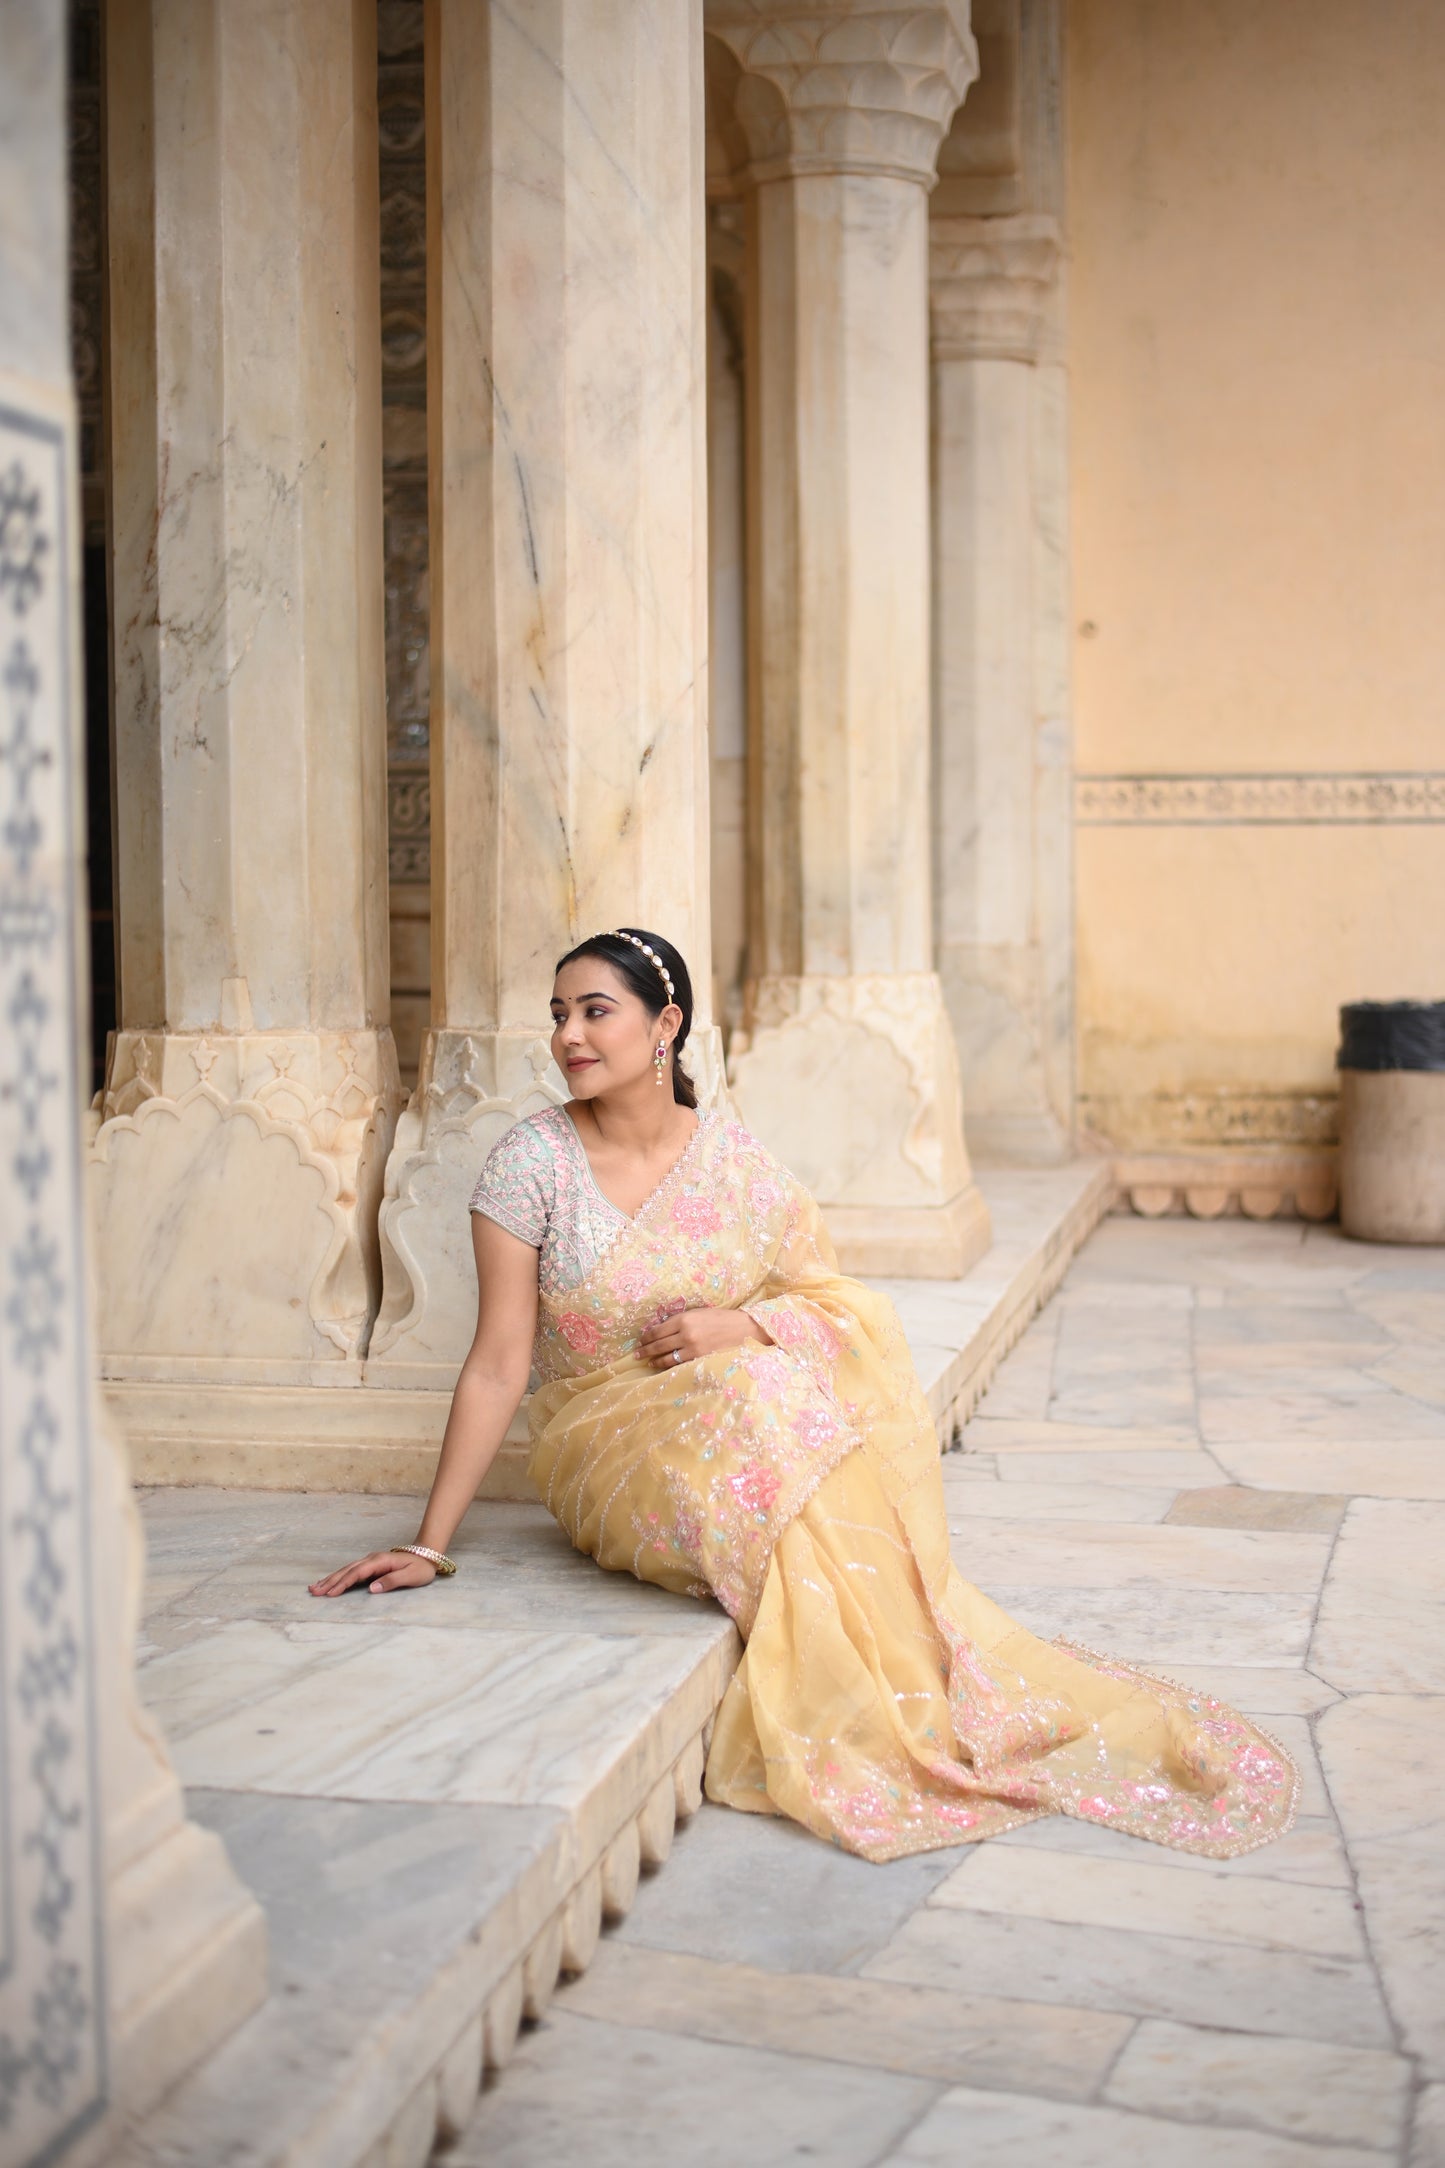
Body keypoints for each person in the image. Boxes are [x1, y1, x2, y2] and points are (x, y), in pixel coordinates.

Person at [311, 929, 1297, 1863]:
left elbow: (832, 1301)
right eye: (558, 1012)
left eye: (594, 1011)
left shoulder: (734, 1162)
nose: (567, 1034)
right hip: (601, 1440)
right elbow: (497, 1360)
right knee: (757, 1391)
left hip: (740, 1418)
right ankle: (893, 1704)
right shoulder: (529, 1164)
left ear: (664, 1027)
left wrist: (741, 1323)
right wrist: (429, 1542)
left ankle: (908, 1693)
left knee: (762, 1375)